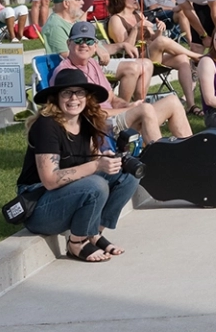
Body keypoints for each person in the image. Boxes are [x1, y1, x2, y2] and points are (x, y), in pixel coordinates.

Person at [16, 68, 140, 263]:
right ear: (56, 97)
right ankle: (76, 243)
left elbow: (87, 161)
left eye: (79, 92)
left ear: (87, 96)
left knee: (127, 176)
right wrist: (97, 165)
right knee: (95, 185)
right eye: (67, 92)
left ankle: (93, 232)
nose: (74, 98)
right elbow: (49, 180)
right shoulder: (46, 126)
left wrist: (104, 159)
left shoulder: (86, 120)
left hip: (66, 195)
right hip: (38, 205)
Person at [51, 23, 190, 143]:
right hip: (97, 126)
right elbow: (90, 113)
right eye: (78, 40)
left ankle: (193, 154)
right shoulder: (66, 73)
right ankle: (159, 160)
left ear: (95, 47)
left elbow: (111, 98)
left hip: (114, 118)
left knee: (172, 101)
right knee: (145, 109)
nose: (83, 45)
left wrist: (128, 105)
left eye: (88, 41)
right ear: (69, 43)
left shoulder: (92, 63)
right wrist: (129, 110)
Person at [107, 0, 202, 115]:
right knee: (162, 42)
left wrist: (159, 30)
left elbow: (153, 39)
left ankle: (191, 105)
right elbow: (124, 47)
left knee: (182, 59)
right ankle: (196, 56)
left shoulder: (138, 15)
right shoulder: (115, 20)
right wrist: (135, 29)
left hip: (150, 55)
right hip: (135, 60)